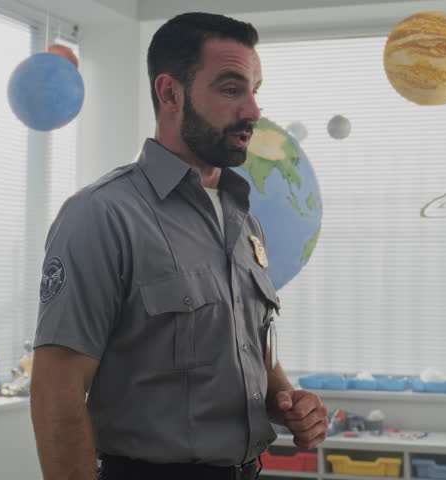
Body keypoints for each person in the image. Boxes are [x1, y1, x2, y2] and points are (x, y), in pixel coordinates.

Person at [30, 12, 328, 480]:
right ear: (170, 93)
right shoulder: (101, 215)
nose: (253, 110)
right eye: (232, 89)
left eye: (255, 90)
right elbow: (56, 394)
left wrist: (288, 400)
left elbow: (248, 351)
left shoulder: (247, 222)